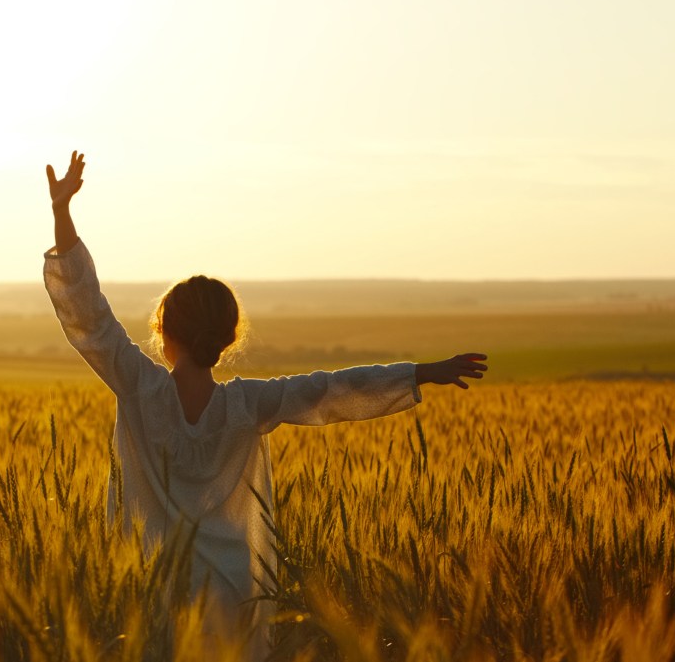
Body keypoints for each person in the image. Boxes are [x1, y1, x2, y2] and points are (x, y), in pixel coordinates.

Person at [42, 151, 488, 659]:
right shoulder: (249, 404)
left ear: (164, 333)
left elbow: (90, 314)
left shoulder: (139, 386)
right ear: (226, 339)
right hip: (235, 592)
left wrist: (63, 214)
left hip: (158, 590)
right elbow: (332, 389)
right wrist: (420, 372)